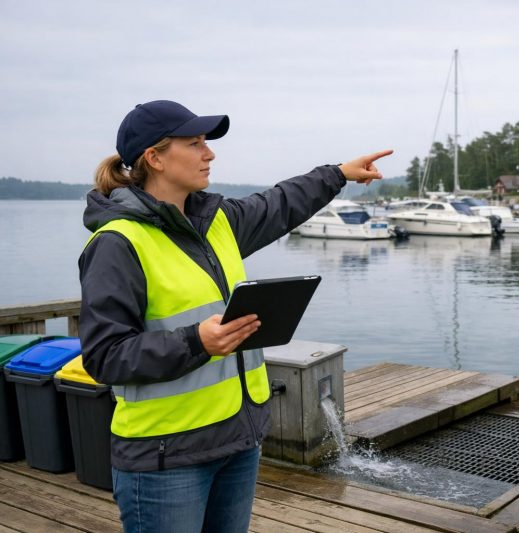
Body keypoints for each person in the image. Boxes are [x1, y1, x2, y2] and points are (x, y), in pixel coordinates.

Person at [78, 100, 391, 532]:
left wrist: (338, 174)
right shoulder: (117, 243)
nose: (209, 153)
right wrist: (196, 342)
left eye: (206, 142)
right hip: (166, 457)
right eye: (195, 143)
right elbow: (105, 357)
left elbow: (281, 203)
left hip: (238, 442)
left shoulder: (218, 220)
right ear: (155, 158)